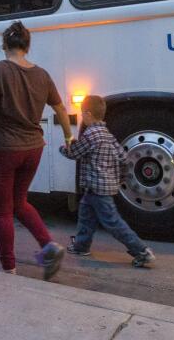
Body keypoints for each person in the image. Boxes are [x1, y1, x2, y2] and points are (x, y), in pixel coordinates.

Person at [0, 21, 73, 279]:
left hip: (2, 149)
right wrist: (68, 135)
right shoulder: (42, 74)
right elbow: (61, 109)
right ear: (27, 46)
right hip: (33, 149)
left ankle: (8, 269)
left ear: (4, 45)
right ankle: (49, 246)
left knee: (2, 211)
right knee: (19, 202)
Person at [58, 96, 156, 267]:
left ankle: (141, 251)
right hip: (99, 188)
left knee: (113, 222)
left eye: (82, 114)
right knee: (85, 215)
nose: (82, 117)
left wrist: (63, 147)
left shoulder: (90, 134)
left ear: (88, 114)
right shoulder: (107, 135)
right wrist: (120, 178)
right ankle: (81, 245)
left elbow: (74, 153)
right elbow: (124, 158)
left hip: (97, 188)